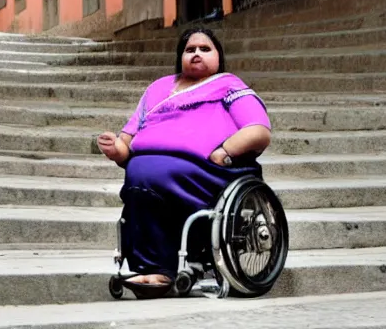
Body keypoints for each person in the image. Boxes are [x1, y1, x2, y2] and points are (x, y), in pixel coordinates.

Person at [97, 27, 271, 299]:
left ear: (218, 56)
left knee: (153, 176)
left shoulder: (230, 86)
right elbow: (126, 143)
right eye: (190, 50)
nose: (197, 54)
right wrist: (114, 148)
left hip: (208, 172)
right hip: (148, 169)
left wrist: (223, 151)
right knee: (140, 177)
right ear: (181, 57)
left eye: (205, 49)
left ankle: (159, 269)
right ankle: (152, 268)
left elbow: (258, 130)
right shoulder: (157, 89)